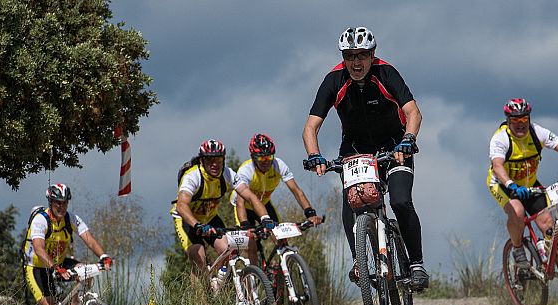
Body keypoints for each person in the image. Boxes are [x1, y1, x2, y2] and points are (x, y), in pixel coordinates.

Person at [302, 26, 428, 291]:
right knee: (352, 200)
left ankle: (416, 264)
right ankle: (360, 259)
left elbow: (413, 112)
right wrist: (315, 155)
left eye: (361, 55)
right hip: (356, 148)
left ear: (372, 55)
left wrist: (409, 139)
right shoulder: (333, 81)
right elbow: (310, 127)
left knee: (401, 201)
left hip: (394, 145)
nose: (356, 62)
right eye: (349, 56)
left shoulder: (386, 73)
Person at [487, 98, 558, 284]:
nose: (521, 125)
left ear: (529, 118)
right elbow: (497, 166)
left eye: (524, 120)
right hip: (504, 184)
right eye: (515, 121)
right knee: (518, 212)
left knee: (548, 224)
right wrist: (512, 184)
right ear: (508, 120)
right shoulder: (500, 138)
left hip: (530, 184)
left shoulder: (538, 133)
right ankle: (518, 249)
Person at [172, 139, 275, 280]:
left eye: (219, 160)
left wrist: (265, 218)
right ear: (202, 161)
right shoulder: (193, 176)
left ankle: (222, 293)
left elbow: (250, 196)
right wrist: (197, 225)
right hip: (188, 220)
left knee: (227, 250)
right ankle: (202, 301)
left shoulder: (227, 173)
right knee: (199, 257)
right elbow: (181, 205)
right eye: (210, 160)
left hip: (210, 218)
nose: (215, 164)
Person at [22, 183, 112, 305]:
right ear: (50, 202)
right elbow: (39, 249)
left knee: (86, 272)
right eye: (58, 203)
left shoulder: (71, 218)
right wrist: (55, 268)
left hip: (60, 262)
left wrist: (103, 256)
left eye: (65, 203)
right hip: (36, 267)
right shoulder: (40, 219)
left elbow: (88, 238)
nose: (62, 207)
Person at [232, 133, 323, 256]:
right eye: (261, 158)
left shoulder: (279, 165)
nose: (265, 162)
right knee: (251, 242)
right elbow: (240, 202)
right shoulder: (246, 170)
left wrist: (310, 213)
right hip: (244, 208)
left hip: (264, 204)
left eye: (269, 157)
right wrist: (245, 225)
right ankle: (253, 274)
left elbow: (296, 191)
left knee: (280, 238)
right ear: (253, 157)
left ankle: (283, 272)